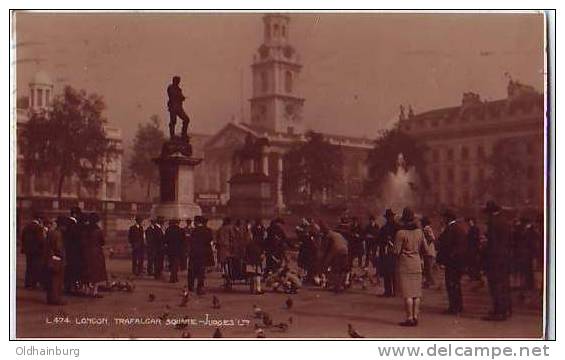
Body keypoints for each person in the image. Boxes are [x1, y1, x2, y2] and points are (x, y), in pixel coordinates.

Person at [394, 208, 429, 326]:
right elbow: (426, 249)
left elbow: (396, 251)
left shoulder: (400, 233)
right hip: (417, 264)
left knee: (408, 294)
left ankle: (409, 318)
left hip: (405, 265)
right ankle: (416, 316)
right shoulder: (419, 232)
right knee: (416, 293)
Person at [483, 201, 512, 321]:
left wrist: (485, 246)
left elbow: (493, 243)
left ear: (490, 212)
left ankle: (498, 312)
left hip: (494, 258)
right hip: (504, 257)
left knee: (495, 286)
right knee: (504, 284)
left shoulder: (492, 222)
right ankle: (506, 310)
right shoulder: (504, 221)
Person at [436, 208, 467, 315]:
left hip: (452, 261)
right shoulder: (458, 228)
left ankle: (454, 307)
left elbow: (445, 244)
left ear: (447, 218)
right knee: (456, 284)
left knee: (451, 284)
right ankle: (458, 306)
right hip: (458, 261)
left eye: (444, 217)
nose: (442, 219)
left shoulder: (450, 229)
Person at [81, 213, 107, 298]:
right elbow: (103, 242)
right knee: (96, 273)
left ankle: (86, 290)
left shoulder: (85, 229)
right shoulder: (98, 230)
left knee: (86, 272)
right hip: (96, 253)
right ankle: (94, 292)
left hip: (85, 252)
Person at [187, 216, 214, 295]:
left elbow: (191, 242)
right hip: (203, 254)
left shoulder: (194, 231)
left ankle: (191, 286)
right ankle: (200, 287)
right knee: (201, 272)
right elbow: (210, 240)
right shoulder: (208, 230)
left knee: (192, 270)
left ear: (197, 222)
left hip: (194, 254)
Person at [320, 221, 349, 293]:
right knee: (343, 269)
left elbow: (326, 249)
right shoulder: (337, 234)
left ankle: (336, 286)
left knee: (336, 269)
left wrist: (324, 261)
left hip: (337, 251)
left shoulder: (328, 236)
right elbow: (346, 242)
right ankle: (342, 285)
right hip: (345, 250)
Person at [44, 216, 67, 305]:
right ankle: (56, 299)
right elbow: (59, 248)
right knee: (57, 280)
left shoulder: (51, 232)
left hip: (50, 259)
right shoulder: (58, 234)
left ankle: (50, 298)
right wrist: (63, 256)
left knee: (51, 280)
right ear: (62, 226)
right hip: (57, 261)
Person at [21, 212, 46, 289]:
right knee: (35, 267)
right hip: (37, 250)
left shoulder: (27, 226)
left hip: (28, 250)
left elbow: (23, 237)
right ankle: (33, 284)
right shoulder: (38, 228)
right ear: (39, 219)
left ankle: (28, 283)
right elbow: (40, 240)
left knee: (29, 266)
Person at [377, 209, 399, 297]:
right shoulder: (396, 227)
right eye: (389, 217)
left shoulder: (390, 227)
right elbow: (379, 240)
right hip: (390, 252)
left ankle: (391, 291)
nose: (390, 218)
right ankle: (390, 291)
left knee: (391, 273)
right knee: (390, 273)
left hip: (390, 252)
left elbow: (379, 240)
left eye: (390, 216)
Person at [64, 207, 84, 294]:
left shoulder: (67, 222)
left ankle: (68, 286)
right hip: (73, 251)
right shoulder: (73, 224)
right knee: (72, 269)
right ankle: (70, 287)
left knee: (68, 268)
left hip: (68, 250)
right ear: (75, 214)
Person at [247, 219, 266, 294]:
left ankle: (252, 288)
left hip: (251, 253)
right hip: (257, 253)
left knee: (252, 273)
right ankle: (258, 289)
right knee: (258, 273)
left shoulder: (251, 240)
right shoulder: (261, 240)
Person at [165, 218, 184, 283]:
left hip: (170, 249)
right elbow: (183, 241)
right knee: (176, 264)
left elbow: (166, 240)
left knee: (172, 263)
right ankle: (173, 278)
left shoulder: (168, 230)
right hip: (178, 250)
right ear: (178, 223)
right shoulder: (181, 230)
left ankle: (174, 277)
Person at [420, 216, 437, 288]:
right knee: (427, 268)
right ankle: (428, 283)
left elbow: (432, 238)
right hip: (429, 251)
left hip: (429, 251)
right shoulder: (427, 228)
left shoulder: (426, 228)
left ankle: (431, 283)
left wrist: (426, 243)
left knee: (428, 268)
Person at [466, 217, 483, 282]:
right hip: (471, 248)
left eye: (470, 221)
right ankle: (473, 277)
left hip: (474, 248)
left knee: (474, 263)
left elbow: (475, 239)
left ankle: (476, 277)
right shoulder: (471, 229)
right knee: (472, 263)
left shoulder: (475, 229)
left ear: (473, 222)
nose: (469, 223)